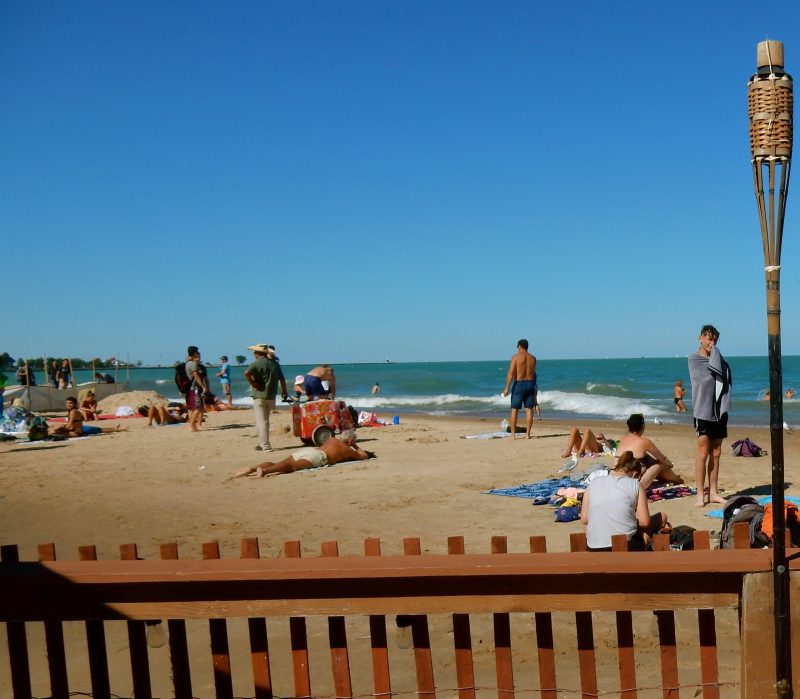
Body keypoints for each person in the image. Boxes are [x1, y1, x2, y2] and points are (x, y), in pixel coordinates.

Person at [581, 451, 667, 552]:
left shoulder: (594, 483)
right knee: (662, 517)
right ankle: (645, 546)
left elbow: (585, 519)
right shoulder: (635, 484)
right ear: (635, 474)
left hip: (594, 547)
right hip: (626, 546)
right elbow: (645, 522)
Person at [688, 324, 732, 508]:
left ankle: (713, 492)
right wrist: (716, 356)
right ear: (700, 338)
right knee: (703, 453)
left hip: (718, 412)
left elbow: (724, 380)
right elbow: (705, 379)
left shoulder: (720, 360)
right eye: (708, 338)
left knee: (716, 453)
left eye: (714, 339)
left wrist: (717, 356)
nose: (711, 342)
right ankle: (700, 493)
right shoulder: (694, 359)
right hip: (703, 412)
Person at [232, 430, 373, 478]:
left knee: (282, 463)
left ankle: (253, 468)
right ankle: (265, 470)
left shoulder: (332, 439)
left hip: (311, 451)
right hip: (318, 457)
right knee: (290, 467)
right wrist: (354, 445)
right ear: (349, 441)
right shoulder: (346, 448)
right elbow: (363, 456)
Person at [617, 413, 683, 488]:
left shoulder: (623, 439)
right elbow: (663, 458)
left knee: (646, 458)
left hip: (617, 478)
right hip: (633, 484)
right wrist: (670, 465)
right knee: (661, 464)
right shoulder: (644, 441)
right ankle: (678, 480)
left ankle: (667, 478)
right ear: (643, 427)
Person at [244, 343, 288, 451]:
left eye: (255, 352)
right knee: (265, 421)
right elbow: (282, 379)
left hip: (259, 395)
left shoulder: (257, 363)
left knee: (261, 421)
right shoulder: (275, 364)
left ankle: (265, 445)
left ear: (258, 353)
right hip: (271, 396)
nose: (254, 353)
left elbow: (246, 373)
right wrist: (284, 391)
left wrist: (253, 383)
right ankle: (261, 443)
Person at [501, 339, 537, 439]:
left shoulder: (515, 357)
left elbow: (511, 373)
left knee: (514, 410)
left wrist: (506, 388)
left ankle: (512, 435)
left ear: (520, 346)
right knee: (529, 410)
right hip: (530, 384)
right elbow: (533, 373)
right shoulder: (533, 358)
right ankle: (527, 435)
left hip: (519, 383)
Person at [51, 397, 126, 437]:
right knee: (99, 430)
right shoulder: (71, 411)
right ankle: (116, 429)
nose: (68, 404)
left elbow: (70, 424)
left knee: (55, 433)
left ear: (74, 404)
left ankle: (117, 429)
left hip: (77, 432)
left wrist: (62, 429)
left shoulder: (73, 411)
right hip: (79, 428)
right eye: (67, 403)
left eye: (70, 403)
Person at [185, 346, 210, 432]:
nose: (198, 354)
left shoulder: (190, 363)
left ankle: (195, 425)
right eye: (197, 353)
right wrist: (204, 387)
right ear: (194, 354)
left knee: (200, 408)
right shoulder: (192, 364)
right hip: (195, 388)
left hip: (196, 388)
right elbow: (196, 376)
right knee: (197, 408)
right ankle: (191, 425)